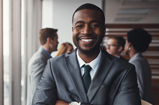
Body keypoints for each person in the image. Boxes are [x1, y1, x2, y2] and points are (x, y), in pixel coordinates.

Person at [33, 3, 141, 105]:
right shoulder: (54, 66)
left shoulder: (124, 70)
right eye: (80, 25)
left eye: (94, 25)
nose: (86, 31)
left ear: (103, 30)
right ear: (73, 30)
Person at [27, 28, 59, 105]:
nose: (58, 42)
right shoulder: (39, 60)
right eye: (56, 39)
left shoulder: (46, 59)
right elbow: (39, 92)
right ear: (49, 40)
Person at [124, 28, 153, 104]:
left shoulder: (135, 63)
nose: (125, 44)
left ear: (129, 44)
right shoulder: (142, 61)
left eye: (126, 42)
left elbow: (138, 93)